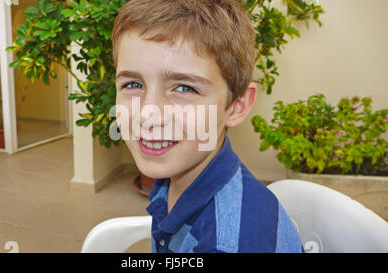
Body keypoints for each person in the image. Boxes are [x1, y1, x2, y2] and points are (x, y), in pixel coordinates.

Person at [111, 0, 303, 253]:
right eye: (133, 85)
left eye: (184, 88)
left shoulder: (229, 243)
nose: (148, 116)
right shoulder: (177, 175)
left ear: (236, 106)